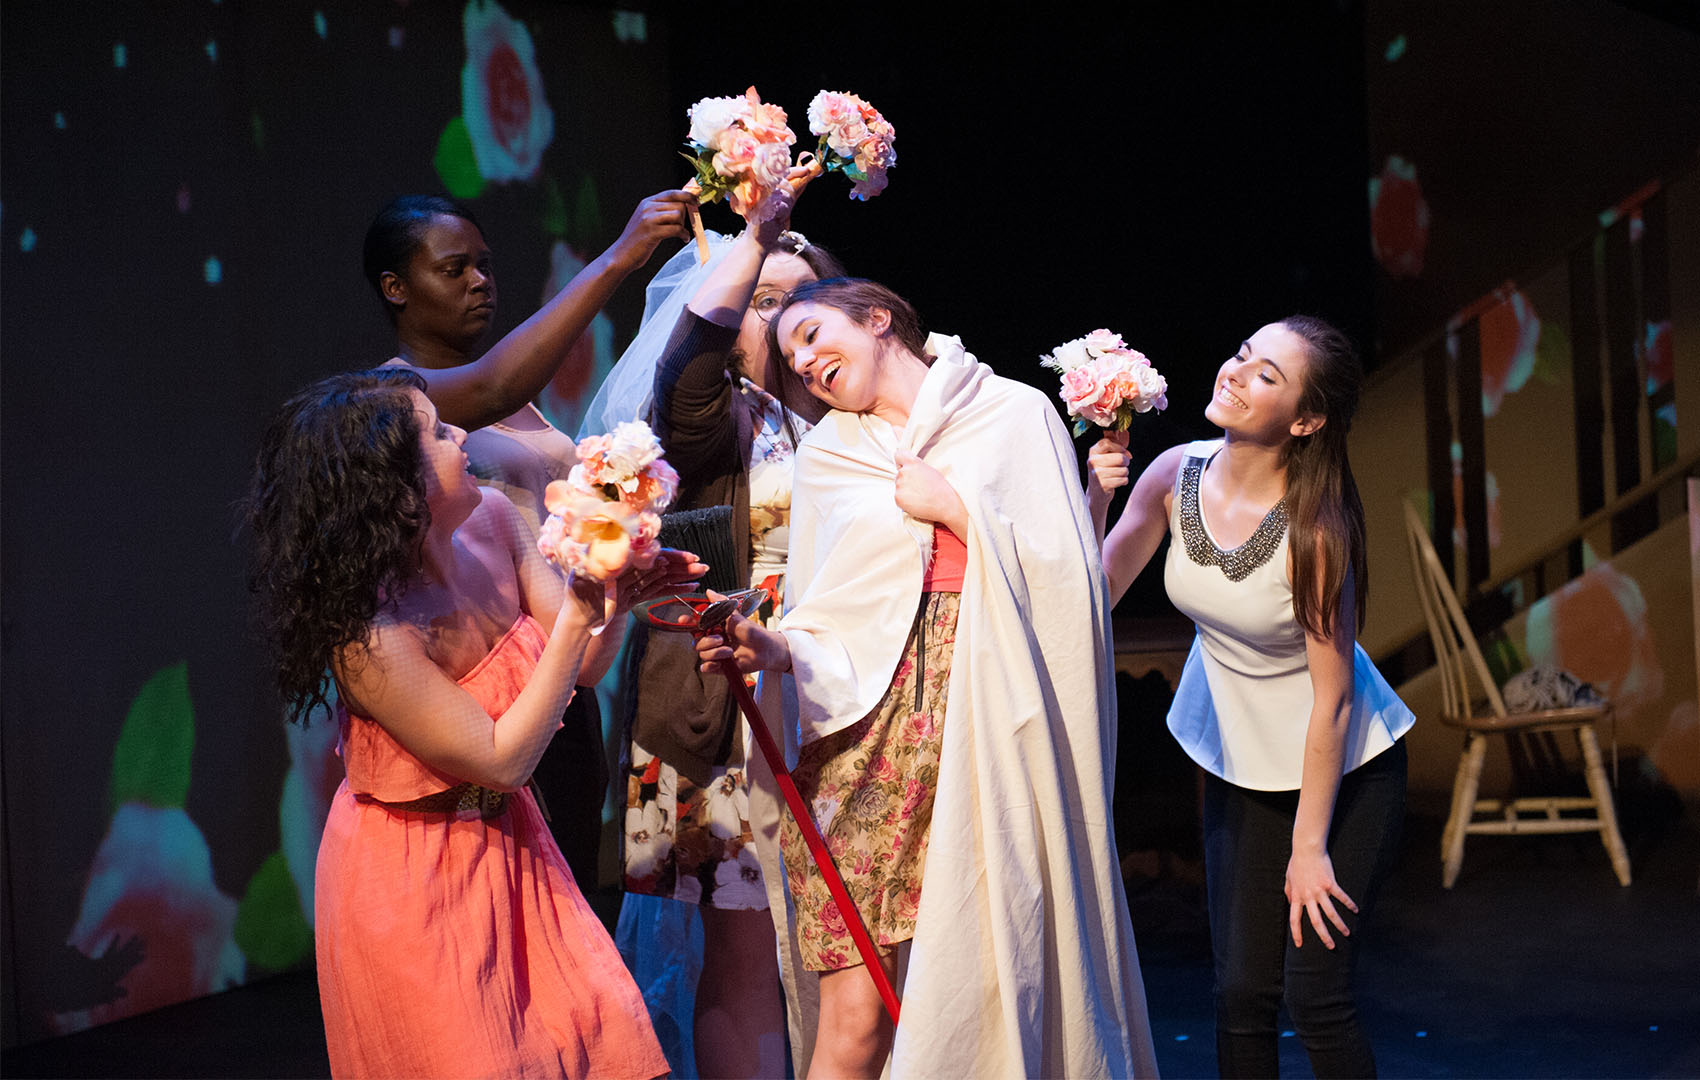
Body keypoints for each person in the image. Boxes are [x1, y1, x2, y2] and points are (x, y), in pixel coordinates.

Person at [698, 278, 1158, 1078]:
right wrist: (773, 649)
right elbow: (825, 601)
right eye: (790, 357)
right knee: (856, 1015)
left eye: (811, 335)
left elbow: (1070, 586)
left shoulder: (1014, 415)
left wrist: (955, 509)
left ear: (878, 319)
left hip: (984, 717)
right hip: (862, 735)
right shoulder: (833, 453)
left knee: (989, 978)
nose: (803, 362)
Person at [245, 368, 700, 1078]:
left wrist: (615, 592)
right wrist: (584, 615)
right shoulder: (368, 635)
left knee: (591, 1036)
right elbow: (500, 759)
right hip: (413, 876)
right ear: (398, 489)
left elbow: (577, 666)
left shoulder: (492, 516)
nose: (462, 437)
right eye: (438, 432)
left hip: (511, 840)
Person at [1086, 316, 1414, 1078]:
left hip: (1345, 771)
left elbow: (1332, 704)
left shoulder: (1316, 533)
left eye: (1266, 374)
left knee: (1315, 998)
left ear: (1305, 420)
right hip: (1243, 757)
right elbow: (1089, 596)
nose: (1235, 373)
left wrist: (1309, 850)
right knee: (1239, 993)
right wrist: (1095, 499)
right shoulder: (1175, 473)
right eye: (1241, 355)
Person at [587, 178, 844, 1079]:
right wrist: (754, 237)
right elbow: (691, 369)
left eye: (801, 300)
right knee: (744, 956)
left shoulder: (846, 425)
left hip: (837, 698)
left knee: (843, 944)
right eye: (761, 300)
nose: (781, 320)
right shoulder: (710, 422)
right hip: (729, 708)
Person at [362, 189, 692, 885]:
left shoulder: (522, 400)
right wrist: (619, 260)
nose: (480, 281)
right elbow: (490, 389)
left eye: (484, 265)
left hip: (564, 673)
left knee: (571, 901)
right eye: (454, 269)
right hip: (486, 702)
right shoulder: (393, 400)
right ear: (396, 288)